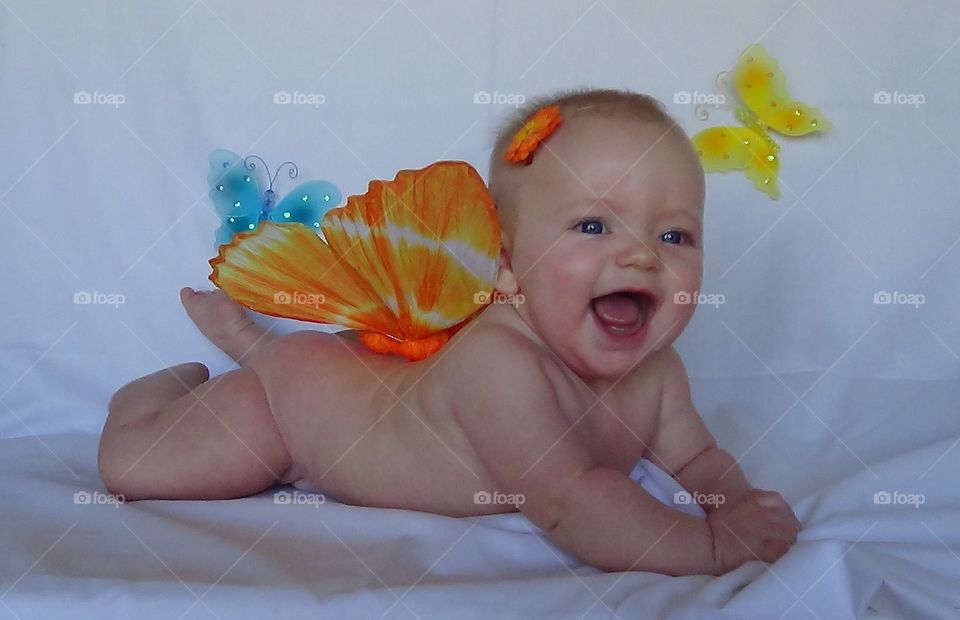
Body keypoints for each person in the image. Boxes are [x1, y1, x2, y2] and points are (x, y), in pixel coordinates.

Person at [98, 88, 801, 576]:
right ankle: (162, 393)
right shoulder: (501, 363)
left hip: (366, 387)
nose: (642, 254)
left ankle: (252, 345)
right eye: (593, 225)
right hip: (302, 418)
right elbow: (570, 500)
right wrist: (705, 547)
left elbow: (700, 460)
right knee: (138, 470)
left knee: (337, 371)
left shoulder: (659, 376)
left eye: (675, 234)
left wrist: (733, 502)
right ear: (505, 265)